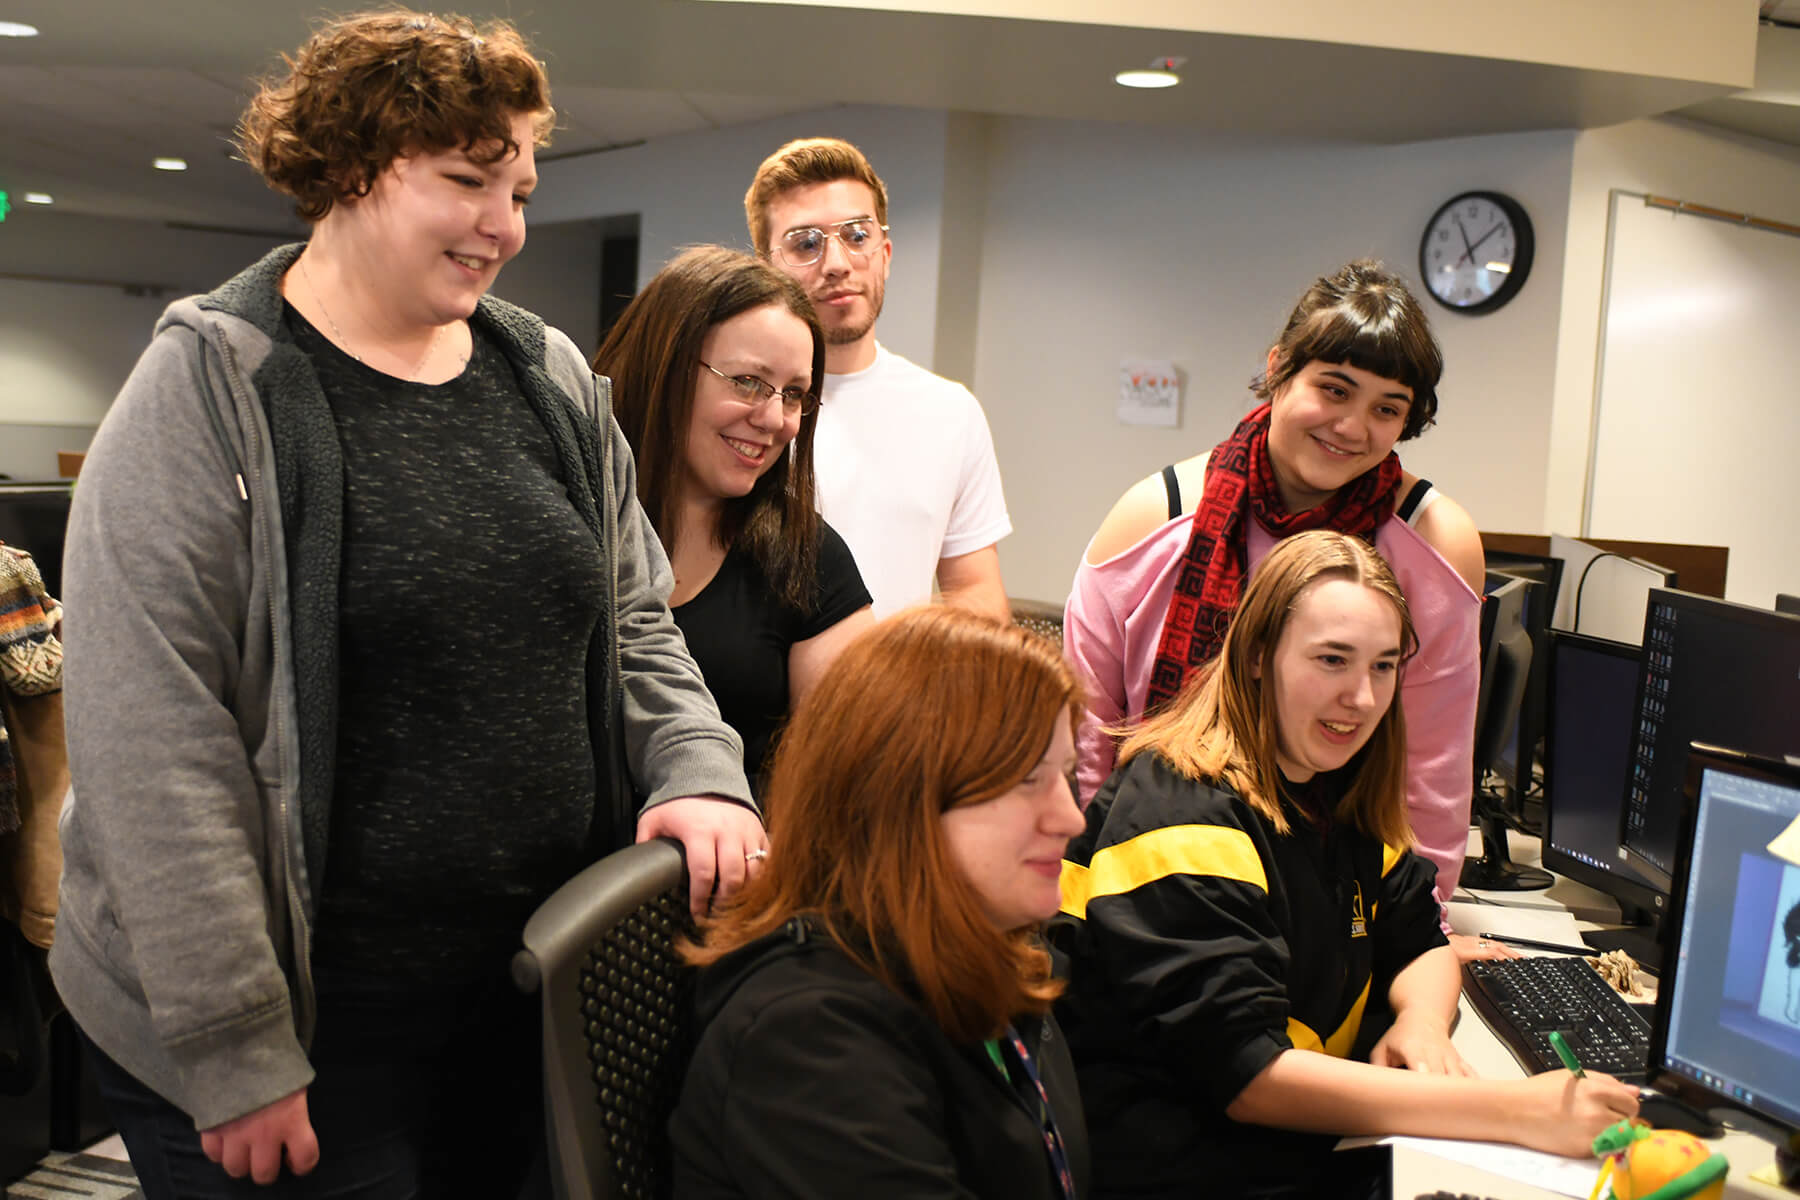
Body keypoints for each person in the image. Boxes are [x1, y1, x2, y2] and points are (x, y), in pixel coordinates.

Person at [49, 12, 762, 1197]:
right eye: (468, 180)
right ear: (348, 167)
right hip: (301, 1033)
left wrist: (697, 767)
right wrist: (233, 1046)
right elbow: (151, 740)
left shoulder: (545, 376)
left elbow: (633, 616)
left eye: (521, 187)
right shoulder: (211, 387)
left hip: (523, 991)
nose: (506, 225)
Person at [1053, 531, 1639, 1199]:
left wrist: (1419, 1025)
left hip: (1283, 1149)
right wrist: (1520, 1112)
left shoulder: (1328, 786)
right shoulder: (1181, 812)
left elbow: (1420, 939)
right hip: (1190, 1166)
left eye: (1383, 666)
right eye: (1332, 660)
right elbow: (1249, 1077)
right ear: (1255, 656)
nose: (1362, 698)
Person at [1065, 260, 1490, 946]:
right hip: (1147, 879)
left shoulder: (1434, 541)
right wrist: (1082, 902)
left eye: (1388, 408)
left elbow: (1430, 773)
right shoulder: (1154, 517)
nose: (1353, 426)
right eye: (1335, 389)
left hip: (1332, 901)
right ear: (1280, 368)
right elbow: (1088, 739)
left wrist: (1417, 941)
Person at [670, 607, 1090, 1199]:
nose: (1071, 818)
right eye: (1027, 780)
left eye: (1066, 777)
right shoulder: (812, 1041)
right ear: (901, 796)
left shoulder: (983, 953)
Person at [593, 246, 873, 793]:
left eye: (794, 394)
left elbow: (849, 781)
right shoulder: (569, 522)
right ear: (664, 368)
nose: (774, 419)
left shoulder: (810, 558)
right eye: (747, 381)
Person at [745, 137, 1012, 622]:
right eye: (805, 243)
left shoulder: (951, 412)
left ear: (885, 253)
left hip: (898, 696)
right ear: (765, 268)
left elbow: (975, 593)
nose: (837, 263)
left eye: (857, 235)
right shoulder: (741, 413)